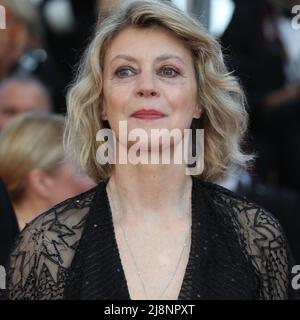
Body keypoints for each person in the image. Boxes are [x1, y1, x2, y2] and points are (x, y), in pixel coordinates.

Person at [7, 0, 298, 300]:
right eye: (125, 71)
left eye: (169, 71)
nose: (147, 86)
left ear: (200, 101)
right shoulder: (47, 246)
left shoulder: (256, 238)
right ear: (102, 103)